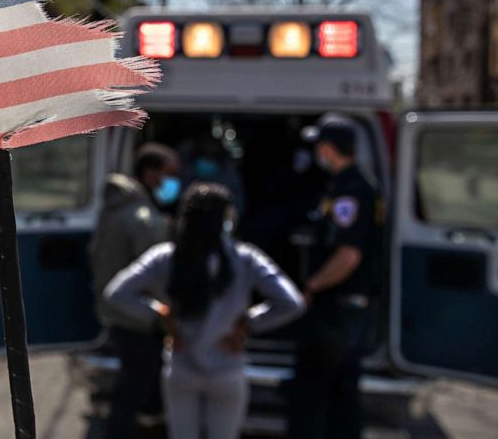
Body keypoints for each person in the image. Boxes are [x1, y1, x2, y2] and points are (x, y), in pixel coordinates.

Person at [104, 183, 306, 439]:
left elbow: (116, 294)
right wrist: (248, 323)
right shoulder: (246, 258)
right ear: (226, 218)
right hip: (227, 368)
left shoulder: (165, 256)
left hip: (181, 366)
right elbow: (292, 302)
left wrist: (159, 315)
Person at [288, 120, 381, 439]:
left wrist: (312, 287)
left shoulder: (351, 190)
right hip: (340, 310)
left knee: (320, 394)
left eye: (319, 147)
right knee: (338, 394)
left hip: (338, 311)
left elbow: (347, 256)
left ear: (327, 149)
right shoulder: (342, 185)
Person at [89, 143, 179, 439]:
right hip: (140, 318)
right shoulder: (143, 218)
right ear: (150, 174)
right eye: (170, 174)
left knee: (133, 385)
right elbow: (156, 276)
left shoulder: (114, 209)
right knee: (134, 389)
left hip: (119, 315)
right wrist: (168, 314)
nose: (174, 180)